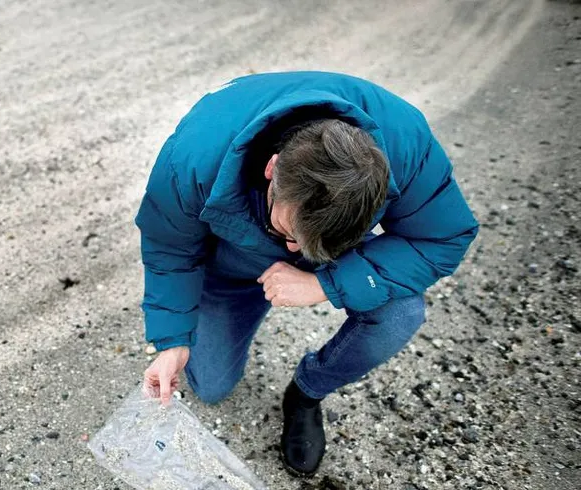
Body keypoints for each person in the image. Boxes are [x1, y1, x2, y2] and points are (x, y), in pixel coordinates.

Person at [135, 71, 479, 476]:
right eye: (290, 232)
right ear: (272, 169)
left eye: (308, 243)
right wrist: (173, 340)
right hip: (234, 265)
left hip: (336, 261)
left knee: (401, 312)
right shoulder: (193, 155)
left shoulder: (405, 143)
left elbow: (443, 238)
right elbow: (170, 247)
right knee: (210, 387)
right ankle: (230, 304)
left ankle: (306, 393)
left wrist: (323, 282)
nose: (297, 251)